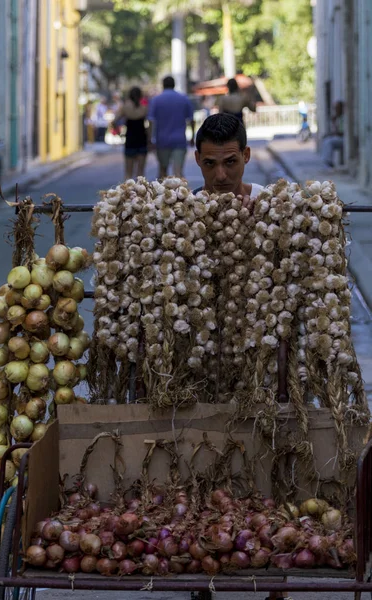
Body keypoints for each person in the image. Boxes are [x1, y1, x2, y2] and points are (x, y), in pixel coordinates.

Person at [194, 113, 288, 600]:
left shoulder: (270, 212)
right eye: (211, 165)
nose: (222, 175)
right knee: (198, 456)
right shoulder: (182, 215)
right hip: (204, 360)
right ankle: (199, 571)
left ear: (247, 157)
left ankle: (276, 575)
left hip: (259, 357)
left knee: (268, 453)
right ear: (198, 162)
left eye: (231, 162)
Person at [193, 113, 263, 210]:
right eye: (210, 163)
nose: (220, 176)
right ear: (198, 158)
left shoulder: (265, 203)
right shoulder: (184, 211)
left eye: (230, 162)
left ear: (246, 155)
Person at [148, 76, 195, 178]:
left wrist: (150, 139)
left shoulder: (156, 100)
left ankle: (161, 193)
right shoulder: (184, 99)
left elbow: (151, 121)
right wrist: (193, 136)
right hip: (179, 140)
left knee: (162, 171)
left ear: (163, 85)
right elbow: (191, 119)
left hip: (162, 140)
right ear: (174, 84)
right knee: (178, 172)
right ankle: (182, 193)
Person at [112, 86, 149, 180]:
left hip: (130, 140)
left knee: (128, 173)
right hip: (142, 139)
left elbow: (114, 121)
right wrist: (149, 137)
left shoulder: (125, 108)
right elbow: (150, 124)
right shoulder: (144, 108)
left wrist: (118, 132)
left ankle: (127, 193)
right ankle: (141, 193)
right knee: (140, 173)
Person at [321, 100, 344, 168]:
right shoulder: (338, 118)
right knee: (326, 140)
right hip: (339, 137)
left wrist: (333, 133)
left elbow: (342, 133)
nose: (336, 110)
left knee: (329, 142)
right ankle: (326, 161)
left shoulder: (344, 118)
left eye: (337, 108)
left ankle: (328, 161)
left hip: (344, 139)